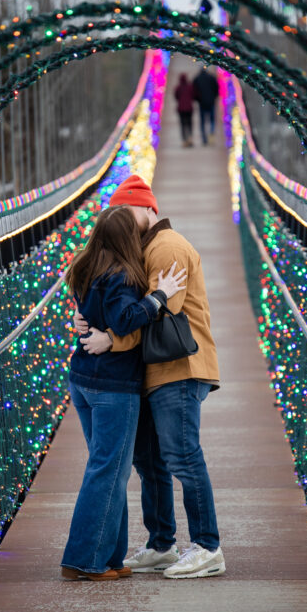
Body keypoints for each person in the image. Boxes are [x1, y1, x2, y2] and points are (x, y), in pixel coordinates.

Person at [76, 175, 225, 580]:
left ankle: (208, 546)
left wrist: (110, 340)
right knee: (150, 461)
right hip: (154, 373)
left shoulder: (167, 247)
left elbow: (162, 315)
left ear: (148, 210)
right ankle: (162, 544)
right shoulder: (140, 251)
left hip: (179, 369)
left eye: (127, 211)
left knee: (182, 456)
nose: (120, 219)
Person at [61, 205, 187, 582]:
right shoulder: (120, 275)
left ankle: (111, 557)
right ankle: (86, 561)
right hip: (112, 387)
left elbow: (91, 313)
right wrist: (159, 296)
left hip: (83, 380)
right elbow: (124, 320)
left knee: (108, 468)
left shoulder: (85, 267)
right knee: (108, 470)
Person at [193, 66, 219, 145]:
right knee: (212, 120)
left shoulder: (197, 79)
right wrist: (214, 97)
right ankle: (211, 135)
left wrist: (197, 99)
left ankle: (204, 138)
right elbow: (216, 88)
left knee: (203, 121)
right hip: (211, 101)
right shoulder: (211, 78)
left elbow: (194, 90)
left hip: (202, 103)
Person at [174, 72, 195, 147]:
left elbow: (176, 96)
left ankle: (184, 140)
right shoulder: (190, 87)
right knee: (189, 124)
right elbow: (193, 95)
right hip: (189, 108)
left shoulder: (178, 88)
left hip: (181, 109)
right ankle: (190, 138)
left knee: (183, 125)